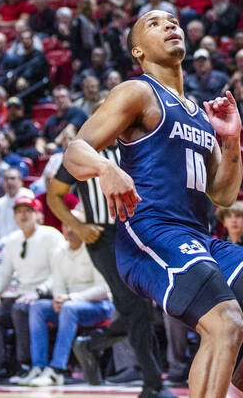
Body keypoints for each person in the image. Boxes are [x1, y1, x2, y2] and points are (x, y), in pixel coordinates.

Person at [61, 11, 243, 398]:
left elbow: (224, 194)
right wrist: (105, 167)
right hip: (149, 232)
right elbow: (74, 151)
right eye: (155, 23)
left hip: (198, 237)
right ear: (138, 50)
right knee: (226, 322)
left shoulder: (197, 111)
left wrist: (231, 139)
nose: (170, 25)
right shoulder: (136, 92)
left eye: (173, 21)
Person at [47, 147, 168, 394]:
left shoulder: (132, 147)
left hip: (134, 233)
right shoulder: (79, 153)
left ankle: (93, 344)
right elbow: (53, 196)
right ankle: (152, 385)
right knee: (134, 306)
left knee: (141, 308)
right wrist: (76, 226)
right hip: (101, 236)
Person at [0, 195, 66, 384]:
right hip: (22, 293)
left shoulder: (51, 236)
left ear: (38, 215)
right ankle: (0, 366)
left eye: (28, 211)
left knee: (20, 309)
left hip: (47, 293)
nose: (23, 215)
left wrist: (39, 291)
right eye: (19, 212)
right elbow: (4, 272)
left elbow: (60, 272)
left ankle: (25, 365)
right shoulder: (13, 240)